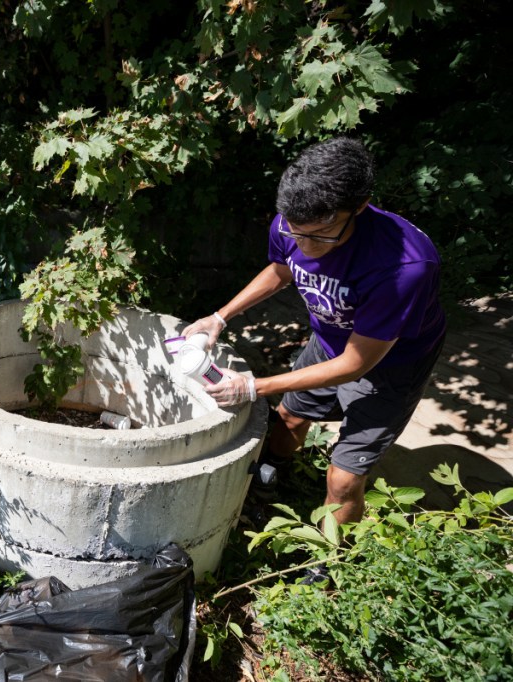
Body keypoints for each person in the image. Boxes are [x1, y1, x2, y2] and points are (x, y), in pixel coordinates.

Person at [183, 137, 446, 527]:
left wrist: (253, 386)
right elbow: (282, 270)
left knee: (343, 479)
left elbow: (355, 364)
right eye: (296, 233)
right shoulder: (291, 221)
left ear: (360, 206)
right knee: (289, 416)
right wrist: (219, 317)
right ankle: (270, 480)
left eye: (321, 235)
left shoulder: (404, 268)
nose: (305, 246)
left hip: (391, 365)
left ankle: (332, 555)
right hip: (328, 340)